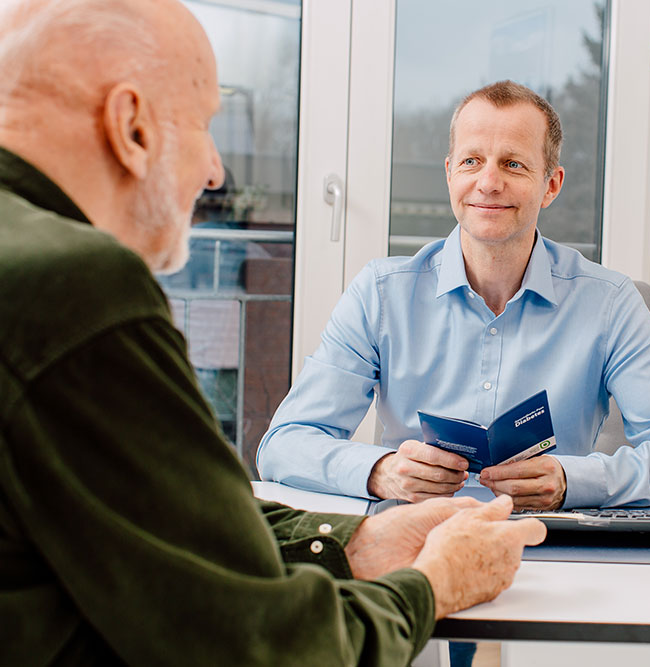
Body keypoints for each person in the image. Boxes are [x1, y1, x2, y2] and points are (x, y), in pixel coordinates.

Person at [0, 1, 545, 664]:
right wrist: (431, 585)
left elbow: (164, 519)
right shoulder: (80, 288)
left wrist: (350, 540)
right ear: (130, 125)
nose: (215, 171)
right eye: (204, 126)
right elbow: (265, 648)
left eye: (514, 164)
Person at [258, 80, 650, 511]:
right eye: (471, 161)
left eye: (513, 163)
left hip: (552, 547)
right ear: (449, 175)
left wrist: (571, 479)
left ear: (551, 185)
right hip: (411, 540)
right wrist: (379, 472)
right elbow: (284, 444)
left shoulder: (610, 303)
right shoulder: (380, 294)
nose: (488, 182)